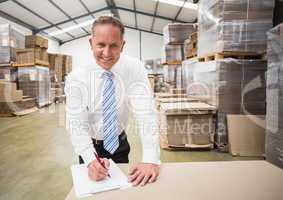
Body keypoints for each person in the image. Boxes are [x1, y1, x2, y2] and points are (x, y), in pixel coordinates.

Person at [65, 15, 160, 187]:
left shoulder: (134, 68)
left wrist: (150, 159)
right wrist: (90, 160)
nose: (107, 53)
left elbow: (145, 112)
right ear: (91, 43)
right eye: (101, 45)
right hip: (90, 146)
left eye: (114, 46)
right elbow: (76, 123)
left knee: (122, 190)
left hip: (119, 144)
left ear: (122, 45)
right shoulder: (76, 78)